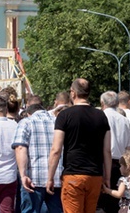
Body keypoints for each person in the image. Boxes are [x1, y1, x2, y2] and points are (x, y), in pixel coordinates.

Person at [47, 78, 111, 213]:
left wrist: (50, 177)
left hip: (73, 175)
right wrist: (107, 177)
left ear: (73, 93)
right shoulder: (101, 116)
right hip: (95, 175)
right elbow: (107, 151)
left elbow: (56, 150)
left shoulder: (64, 115)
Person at [12, 103, 63, 213]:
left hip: (33, 179)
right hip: (56, 178)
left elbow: (20, 147)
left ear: (29, 113)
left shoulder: (26, 122)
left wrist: (23, 175)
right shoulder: (58, 122)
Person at [98, 91, 130, 213]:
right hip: (120, 163)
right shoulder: (124, 120)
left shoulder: (100, 116)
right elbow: (129, 147)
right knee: (115, 202)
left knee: (101, 200)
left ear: (102, 102)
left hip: (103, 162)